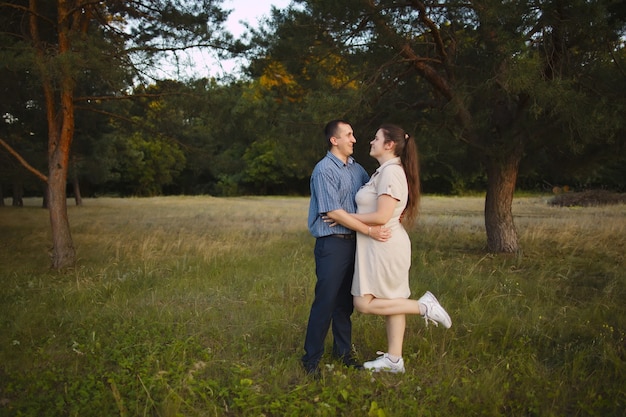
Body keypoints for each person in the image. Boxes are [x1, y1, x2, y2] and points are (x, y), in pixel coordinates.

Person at [325, 123, 452, 373]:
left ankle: (424, 306)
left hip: (385, 245)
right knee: (393, 301)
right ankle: (394, 360)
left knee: (363, 303)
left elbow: (382, 216)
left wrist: (343, 216)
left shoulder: (391, 173)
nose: (370, 141)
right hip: (379, 245)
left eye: (376, 138)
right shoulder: (383, 171)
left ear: (389, 144)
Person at [302, 119, 390, 377]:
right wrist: (367, 229)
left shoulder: (357, 169)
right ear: (334, 140)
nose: (354, 139)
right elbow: (332, 212)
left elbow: (366, 201)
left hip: (355, 245)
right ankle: (311, 360)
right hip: (332, 245)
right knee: (325, 302)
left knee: (344, 304)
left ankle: (343, 353)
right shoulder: (324, 170)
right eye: (349, 135)